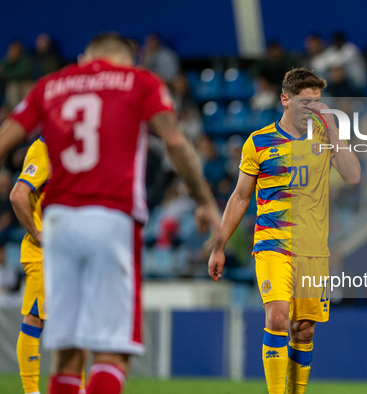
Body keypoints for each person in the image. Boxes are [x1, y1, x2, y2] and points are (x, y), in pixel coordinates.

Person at [0, 33, 220, 394]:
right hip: (111, 217)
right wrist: (205, 200)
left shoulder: (51, 86)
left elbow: (7, 137)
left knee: (67, 352)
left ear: (86, 57)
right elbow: (175, 140)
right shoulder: (139, 81)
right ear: (128, 59)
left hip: (59, 224)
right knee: (112, 353)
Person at [208, 68, 360, 393]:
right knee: (277, 317)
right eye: (306, 102)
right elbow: (239, 197)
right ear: (285, 100)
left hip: (313, 251)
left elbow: (353, 175)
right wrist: (219, 245)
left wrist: (333, 130)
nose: (313, 109)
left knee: (304, 330)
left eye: (317, 102)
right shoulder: (259, 142)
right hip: (272, 246)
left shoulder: (323, 136)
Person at [10, 137, 87, 394]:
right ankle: (31, 391)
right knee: (34, 319)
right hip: (44, 254)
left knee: (76, 322)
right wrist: (38, 234)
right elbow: (18, 195)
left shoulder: (77, 151)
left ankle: (80, 388)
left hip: (70, 252)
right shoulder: (43, 149)